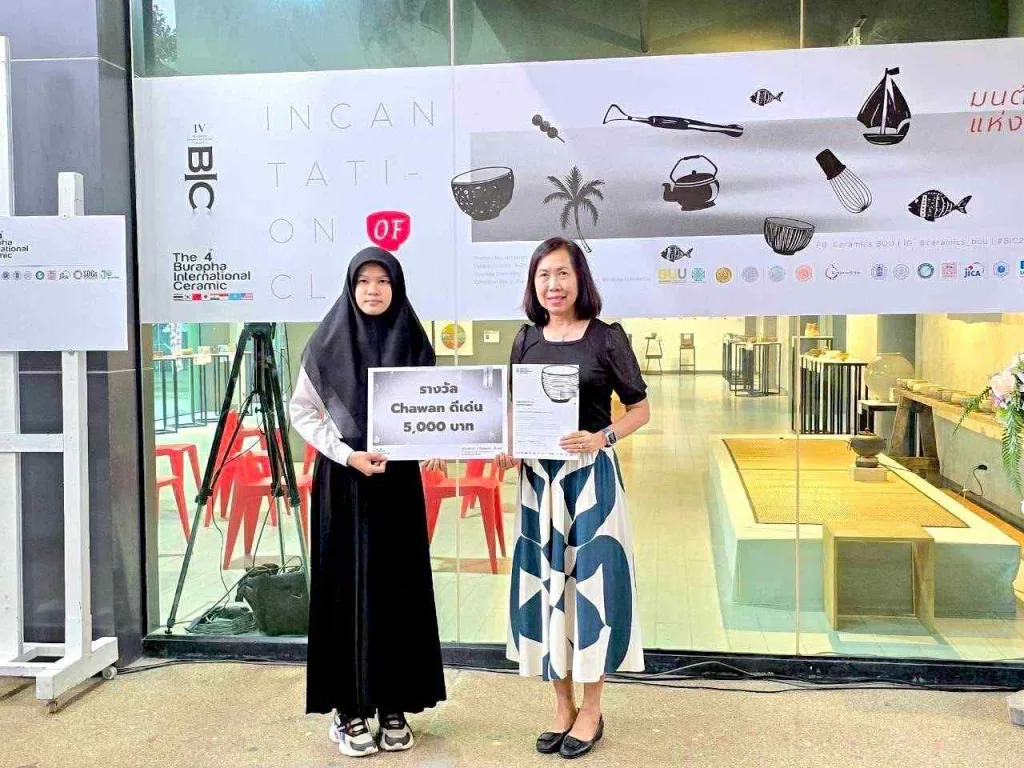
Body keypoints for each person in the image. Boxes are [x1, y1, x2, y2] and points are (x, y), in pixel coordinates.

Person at [290, 246, 446, 758]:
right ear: (351, 287)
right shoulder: (326, 343)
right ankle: (349, 710)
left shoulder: (414, 342)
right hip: (344, 483)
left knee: (397, 588)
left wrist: (435, 443)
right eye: (364, 281)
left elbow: (434, 408)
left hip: (397, 486)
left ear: (396, 288)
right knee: (345, 589)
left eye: (383, 281)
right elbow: (302, 412)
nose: (373, 290)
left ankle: (393, 704)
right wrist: (346, 454)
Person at [498, 236, 650, 759]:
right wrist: (509, 445)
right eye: (543, 275)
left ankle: (592, 709)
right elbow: (515, 407)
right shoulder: (525, 339)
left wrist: (602, 437)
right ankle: (562, 705)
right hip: (539, 482)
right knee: (548, 588)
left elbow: (640, 410)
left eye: (562, 273)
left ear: (580, 279)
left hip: (590, 480)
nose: (553, 285)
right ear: (533, 283)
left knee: (591, 591)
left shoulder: (606, 338)